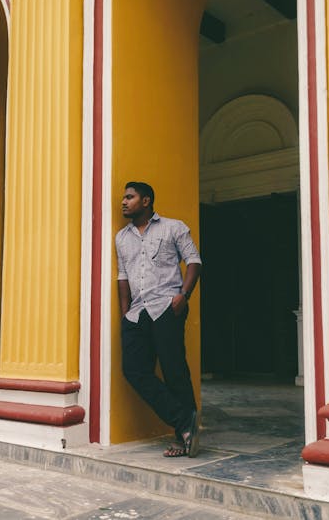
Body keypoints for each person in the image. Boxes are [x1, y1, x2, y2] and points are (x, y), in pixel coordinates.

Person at [115, 181, 202, 458]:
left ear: (146, 200)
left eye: (130, 197)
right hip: (137, 313)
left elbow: (194, 262)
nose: (124, 202)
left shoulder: (173, 227)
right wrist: (125, 312)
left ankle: (184, 437)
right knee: (134, 370)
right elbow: (123, 276)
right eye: (123, 198)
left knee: (174, 369)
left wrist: (183, 296)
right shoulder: (122, 237)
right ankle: (183, 420)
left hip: (166, 305)